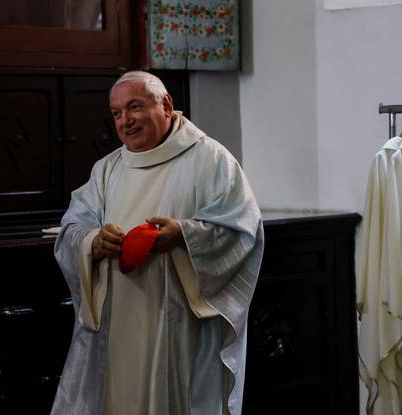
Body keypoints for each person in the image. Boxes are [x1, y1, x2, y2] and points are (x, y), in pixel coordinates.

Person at [52, 71, 264, 415]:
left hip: (180, 323)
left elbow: (242, 230)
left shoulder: (211, 160)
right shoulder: (107, 170)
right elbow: (72, 227)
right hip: (118, 320)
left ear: (166, 104)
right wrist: (93, 240)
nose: (125, 121)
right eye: (117, 113)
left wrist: (183, 234)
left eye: (134, 107)